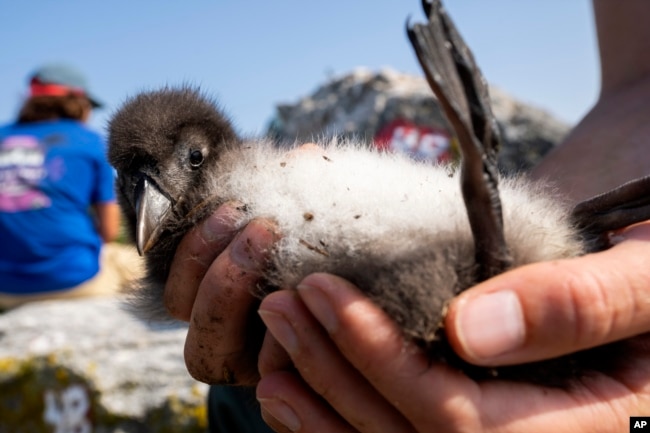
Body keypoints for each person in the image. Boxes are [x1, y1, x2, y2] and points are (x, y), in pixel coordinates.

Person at [164, 0, 650, 431]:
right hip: (533, 246)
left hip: (508, 303)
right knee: (259, 378)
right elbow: (635, 81)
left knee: (266, 385)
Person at [0, 63, 136, 309]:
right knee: (142, 264)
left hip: (5, 286)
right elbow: (109, 230)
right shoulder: (90, 141)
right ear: (78, 102)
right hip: (74, 280)